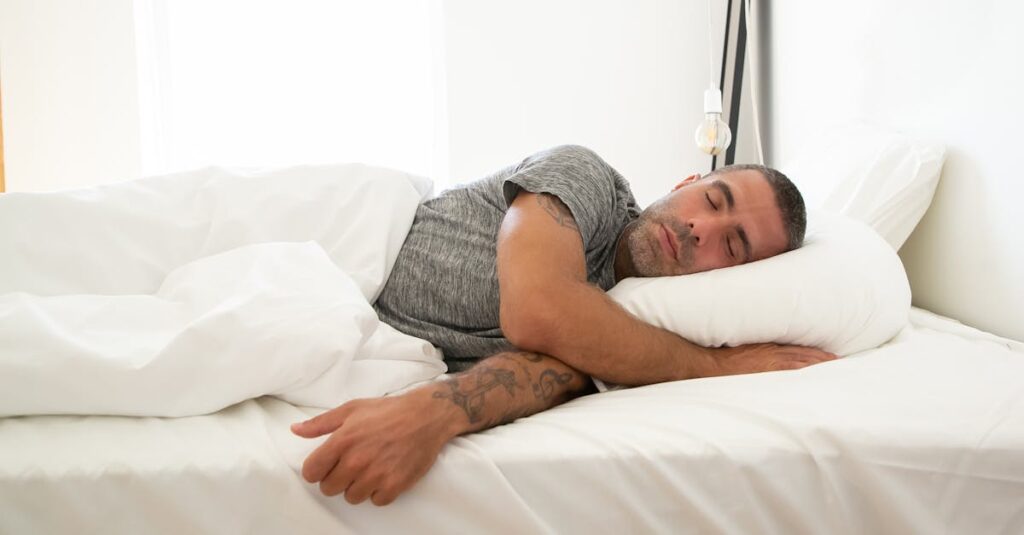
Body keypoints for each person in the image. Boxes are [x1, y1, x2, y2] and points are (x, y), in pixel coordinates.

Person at [289, 145, 836, 506]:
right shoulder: (587, 179)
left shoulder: (636, 331)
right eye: (713, 200)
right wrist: (716, 366)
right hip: (320, 257)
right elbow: (540, 311)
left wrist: (434, 413)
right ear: (687, 180)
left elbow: (557, 367)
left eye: (732, 245)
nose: (699, 228)